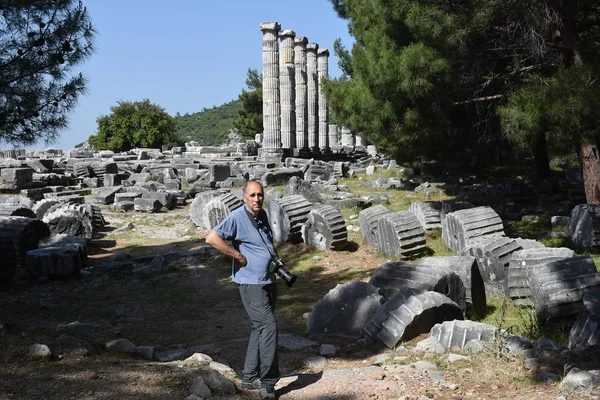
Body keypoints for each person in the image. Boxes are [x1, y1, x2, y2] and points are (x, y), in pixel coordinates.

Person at [205, 180, 280, 400]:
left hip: (267, 279)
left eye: (260, 195)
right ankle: (268, 384)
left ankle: (249, 377)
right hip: (251, 283)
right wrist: (236, 255)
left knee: (260, 328)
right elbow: (211, 238)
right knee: (268, 327)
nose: (257, 199)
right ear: (244, 198)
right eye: (253, 195)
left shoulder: (262, 215)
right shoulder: (238, 216)